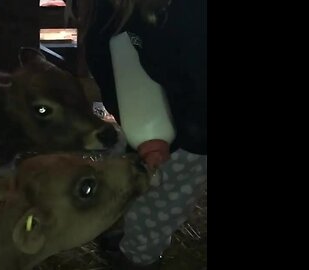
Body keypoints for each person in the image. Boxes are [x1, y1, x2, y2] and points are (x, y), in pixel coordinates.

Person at [67, 0, 207, 268]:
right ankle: (131, 245)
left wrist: (154, 132)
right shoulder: (107, 13)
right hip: (169, 124)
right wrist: (146, 130)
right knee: (150, 189)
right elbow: (106, 66)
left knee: (152, 191)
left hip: (181, 127)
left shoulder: (188, 14)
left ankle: (128, 245)